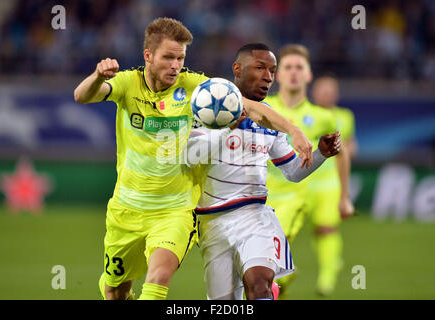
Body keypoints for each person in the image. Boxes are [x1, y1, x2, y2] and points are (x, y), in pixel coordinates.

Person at [73, 17, 313, 300]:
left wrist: (294, 130)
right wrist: (98, 76)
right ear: (148, 56)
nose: (176, 65)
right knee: (116, 291)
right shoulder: (127, 83)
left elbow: (253, 108)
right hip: (127, 208)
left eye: (180, 58)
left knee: (159, 276)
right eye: (168, 57)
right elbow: (82, 95)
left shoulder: (195, 87)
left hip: (175, 210)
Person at [186, 43, 341, 300]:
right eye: (260, 68)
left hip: (255, 216)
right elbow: (191, 158)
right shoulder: (208, 103)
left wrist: (320, 155)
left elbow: (292, 171)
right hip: (212, 221)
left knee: (260, 285)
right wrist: (227, 126)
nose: (268, 76)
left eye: (272, 70)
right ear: (237, 68)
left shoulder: (270, 121)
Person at [264, 45, 355, 298]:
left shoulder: (321, 117)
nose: (293, 72)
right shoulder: (263, 109)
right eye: (288, 67)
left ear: (308, 75)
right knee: (258, 266)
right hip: (259, 196)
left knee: (266, 259)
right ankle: (286, 276)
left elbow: (341, 152)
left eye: (299, 67)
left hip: (294, 197)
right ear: (276, 75)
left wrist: (344, 196)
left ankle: (284, 277)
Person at [311, 75, 357, 161]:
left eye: (331, 92)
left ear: (337, 94)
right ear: (314, 93)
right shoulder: (307, 115)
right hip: (311, 170)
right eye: (324, 92)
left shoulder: (346, 115)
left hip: (336, 171)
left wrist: (343, 151)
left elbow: (351, 145)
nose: (327, 96)